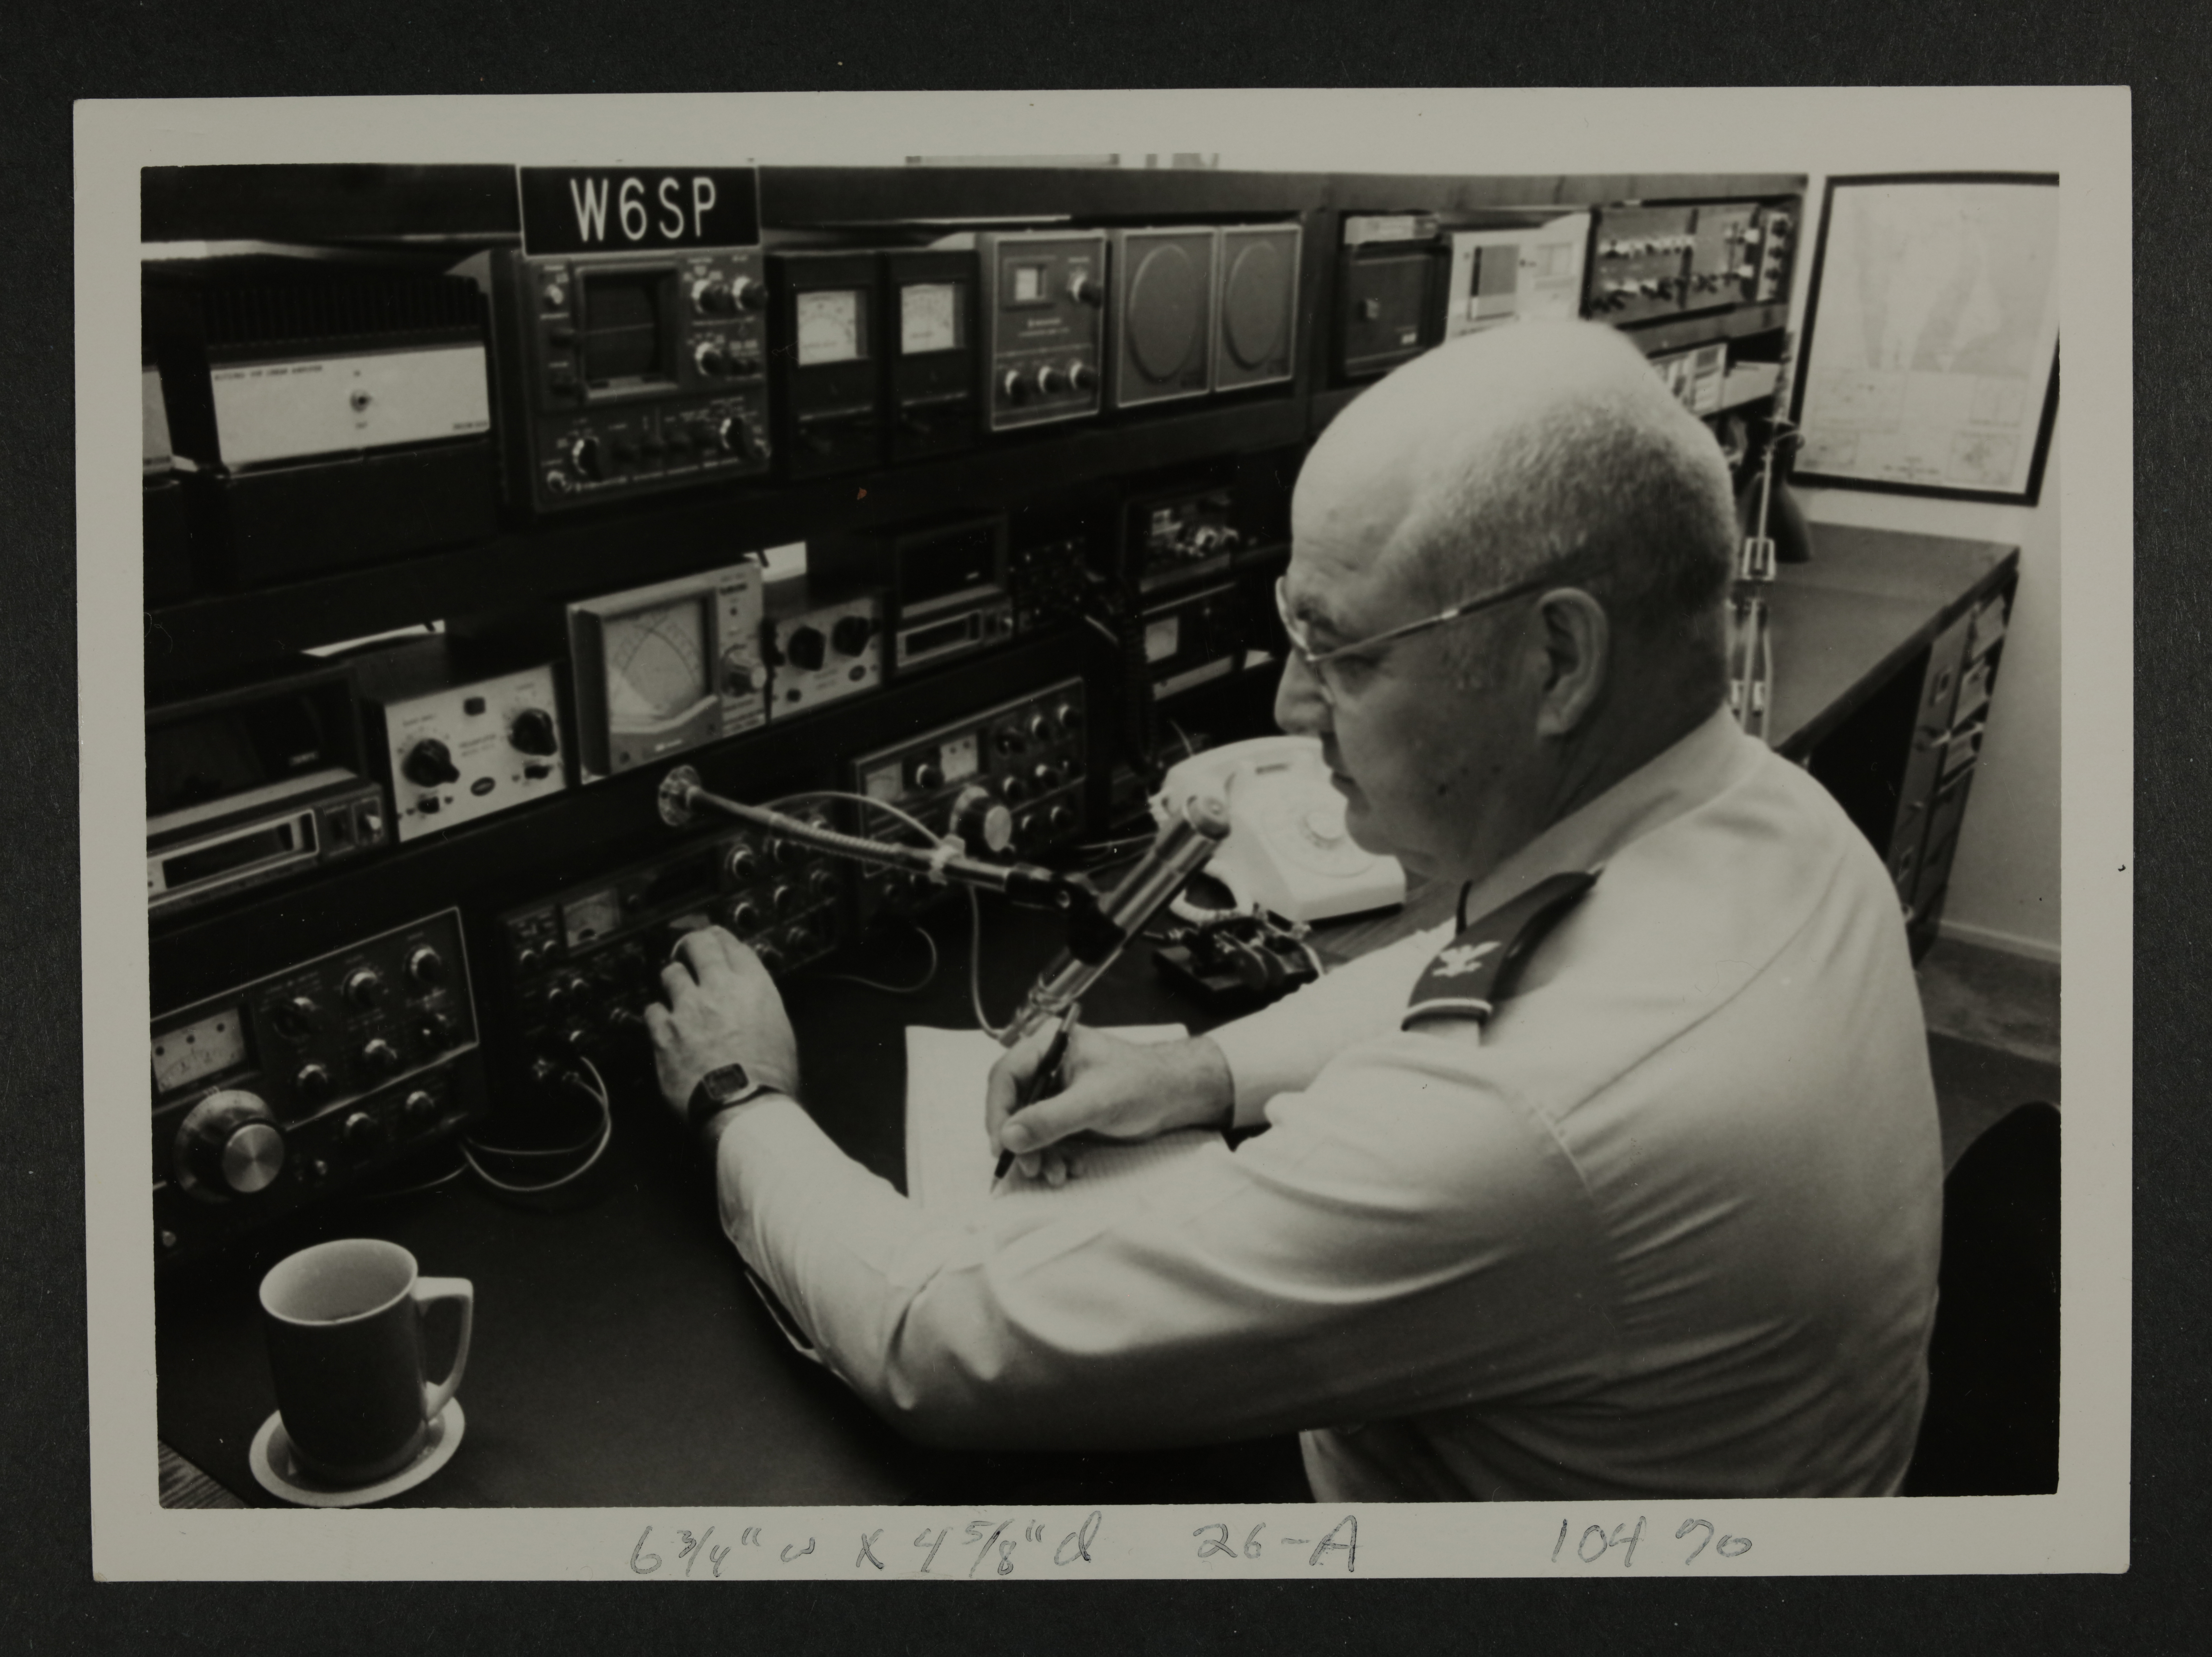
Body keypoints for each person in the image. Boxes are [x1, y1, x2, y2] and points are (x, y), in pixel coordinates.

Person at [647, 320, 1945, 1502]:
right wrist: (1198, 1074)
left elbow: (938, 1341)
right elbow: (1479, 956)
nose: (1288, 704)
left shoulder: (1521, 1124)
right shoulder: (1775, 816)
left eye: (1343, 653)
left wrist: (740, 1097)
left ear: (1557, 659)